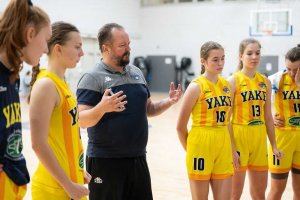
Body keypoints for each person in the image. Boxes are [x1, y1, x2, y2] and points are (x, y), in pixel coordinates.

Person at [76, 23, 181, 200]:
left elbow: (149, 109)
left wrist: (168, 102)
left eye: (129, 44)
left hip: (138, 159)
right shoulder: (92, 78)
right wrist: (103, 108)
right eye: (122, 46)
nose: (128, 49)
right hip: (105, 161)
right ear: (106, 48)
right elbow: (82, 120)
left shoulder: (137, 73)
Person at [28, 21, 90, 200]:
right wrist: (68, 184)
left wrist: (77, 171)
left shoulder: (62, 84)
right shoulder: (46, 85)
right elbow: (38, 144)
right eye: (77, 47)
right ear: (58, 49)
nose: (82, 53)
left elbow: (65, 138)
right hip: (54, 188)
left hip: (70, 183)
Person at [0, 0, 51, 199]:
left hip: (13, 178)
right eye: (46, 39)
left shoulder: (13, 74)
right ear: (30, 34)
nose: (46, 49)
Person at [177, 41, 238, 200]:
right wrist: (190, 149)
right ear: (203, 61)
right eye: (215, 59)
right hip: (201, 142)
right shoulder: (196, 87)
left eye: (223, 59)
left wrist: (233, 150)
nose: (221, 63)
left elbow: (227, 122)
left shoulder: (227, 85)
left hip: (222, 141)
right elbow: (180, 126)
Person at [228, 38, 282, 200]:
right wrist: (231, 150)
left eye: (257, 53)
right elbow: (226, 120)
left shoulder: (264, 82)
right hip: (239, 137)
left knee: (259, 194)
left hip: (259, 139)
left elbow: (267, 116)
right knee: (234, 194)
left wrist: (274, 145)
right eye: (249, 53)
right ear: (241, 56)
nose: (254, 57)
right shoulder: (233, 81)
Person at [267, 45, 300, 200]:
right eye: (289, 68)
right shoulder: (276, 79)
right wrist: (271, 116)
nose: (292, 73)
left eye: (297, 69)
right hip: (282, 139)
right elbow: (258, 106)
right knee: (276, 190)